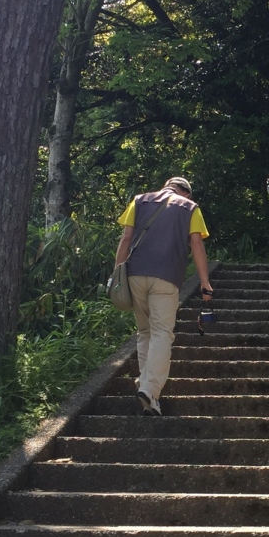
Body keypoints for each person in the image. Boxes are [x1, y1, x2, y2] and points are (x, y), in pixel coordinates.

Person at [113, 176, 213, 416]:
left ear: (167, 186)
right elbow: (196, 244)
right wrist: (204, 282)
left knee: (145, 331)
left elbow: (126, 239)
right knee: (162, 332)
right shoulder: (190, 207)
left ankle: (147, 387)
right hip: (166, 276)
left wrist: (116, 275)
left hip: (135, 274)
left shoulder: (139, 201)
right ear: (186, 193)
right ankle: (150, 388)